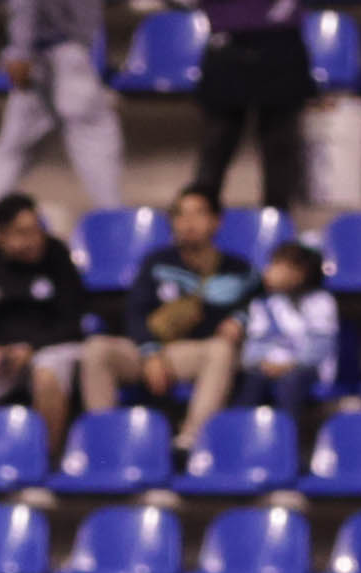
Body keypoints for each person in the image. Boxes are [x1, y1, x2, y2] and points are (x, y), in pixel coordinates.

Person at [81, 185, 255, 456]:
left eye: (198, 215)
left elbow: (260, 306)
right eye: (181, 215)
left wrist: (240, 320)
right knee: (97, 348)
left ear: (216, 221)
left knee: (222, 350)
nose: (188, 223)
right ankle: (106, 443)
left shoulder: (238, 269)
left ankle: (191, 443)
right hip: (149, 349)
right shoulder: (157, 262)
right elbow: (135, 313)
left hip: (194, 354)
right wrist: (151, 354)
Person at [0, 194, 88, 455]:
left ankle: (44, 461)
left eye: (37, 230)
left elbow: (72, 322)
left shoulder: (57, 257)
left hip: (48, 347)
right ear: (0, 236)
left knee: (47, 373)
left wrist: (31, 348)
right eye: (22, 233)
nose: (33, 240)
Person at [0, 0, 123, 214]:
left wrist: (20, 50)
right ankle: (113, 216)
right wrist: (20, 51)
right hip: (54, 56)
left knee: (15, 149)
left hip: (56, 55)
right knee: (95, 139)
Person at [189, 0, 314, 216]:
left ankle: (277, 226)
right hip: (227, 43)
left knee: (280, 148)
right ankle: (198, 220)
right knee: (216, 145)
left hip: (282, 46)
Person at [237, 241, 335, 430]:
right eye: (272, 263)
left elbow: (320, 348)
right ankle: (245, 438)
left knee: (289, 382)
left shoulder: (321, 302)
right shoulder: (262, 303)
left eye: (279, 265)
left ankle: (288, 443)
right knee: (249, 381)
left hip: (307, 369)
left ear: (301, 273)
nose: (270, 270)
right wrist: (262, 362)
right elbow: (253, 346)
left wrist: (291, 364)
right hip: (266, 367)